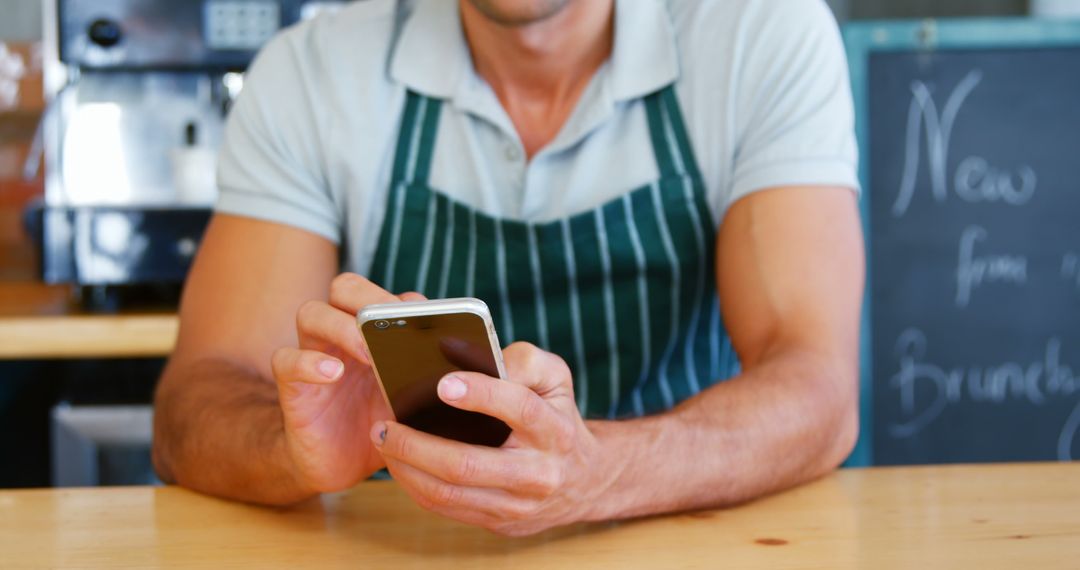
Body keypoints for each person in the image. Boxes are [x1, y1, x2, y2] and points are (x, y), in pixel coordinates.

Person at [152, 0, 864, 537]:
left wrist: (600, 470)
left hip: (691, 537)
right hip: (412, 547)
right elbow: (194, 401)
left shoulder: (761, 35)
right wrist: (287, 450)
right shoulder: (313, 73)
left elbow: (818, 390)